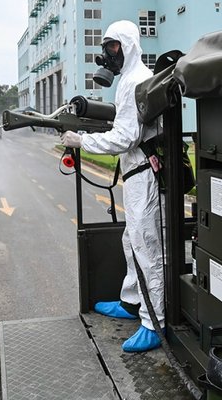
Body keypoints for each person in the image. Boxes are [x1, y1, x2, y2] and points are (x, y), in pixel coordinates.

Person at [61, 20, 165, 352]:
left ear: (129, 46)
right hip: (136, 173)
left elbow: (126, 137)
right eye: (106, 46)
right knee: (130, 240)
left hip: (145, 176)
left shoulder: (135, 80)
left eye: (114, 46)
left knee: (146, 247)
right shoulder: (128, 80)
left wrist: (83, 141)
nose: (108, 53)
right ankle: (131, 302)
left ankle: (154, 322)